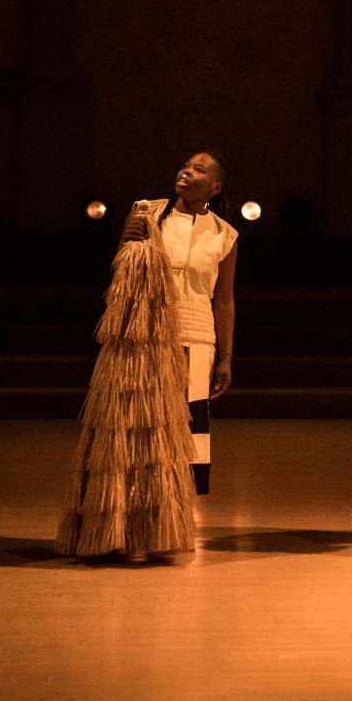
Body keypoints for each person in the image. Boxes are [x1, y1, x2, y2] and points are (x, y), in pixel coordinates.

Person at [121, 151, 238, 494]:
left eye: (198, 170)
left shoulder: (224, 234)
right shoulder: (149, 213)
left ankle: (174, 510)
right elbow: (123, 270)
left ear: (215, 187)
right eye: (185, 166)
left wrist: (227, 356)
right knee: (144, 418)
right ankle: (138, 501)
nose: (186, 172)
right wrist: (126, 239)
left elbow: (225, 298)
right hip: (149, 330)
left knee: (185, 422)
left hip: (197, 334)